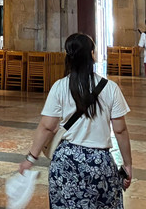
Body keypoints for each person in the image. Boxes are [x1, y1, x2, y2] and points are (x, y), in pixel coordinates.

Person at [18, 34, 133, 208]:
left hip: (67, 161)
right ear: (92, 54)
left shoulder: (60, 87)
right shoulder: (110, 88)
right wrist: (127, 164)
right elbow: (120, 130)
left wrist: (30, 158)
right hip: (99, 162)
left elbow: (47, 127)